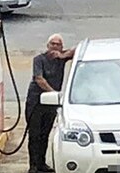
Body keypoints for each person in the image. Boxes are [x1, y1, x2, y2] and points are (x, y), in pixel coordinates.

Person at [25, 34, 76, 173]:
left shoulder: (61, 59)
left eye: (58, 44)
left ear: (61, 47)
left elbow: (78, 50)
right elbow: (39, 79)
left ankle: (41, 163)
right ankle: (33, 165)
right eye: (52, 44)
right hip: (36, 101)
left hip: (51, 103)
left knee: (45, 134)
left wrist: (63, 55)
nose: (54, 46)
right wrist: (54, 93)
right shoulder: (39, 59)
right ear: (47, 45)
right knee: (34, 134)